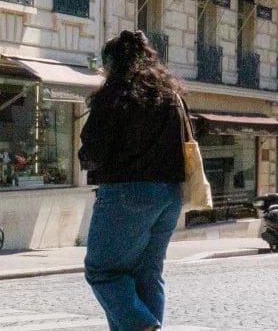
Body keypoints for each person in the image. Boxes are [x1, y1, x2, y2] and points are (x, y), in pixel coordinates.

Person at [80, 31, 188, 331]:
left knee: (103, 272)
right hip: (170, 193)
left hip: (128, 191)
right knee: (148, 274)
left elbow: (95, 148)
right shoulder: (171, 95)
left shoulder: (116, 93)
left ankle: (143, 326)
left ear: (113, 63)